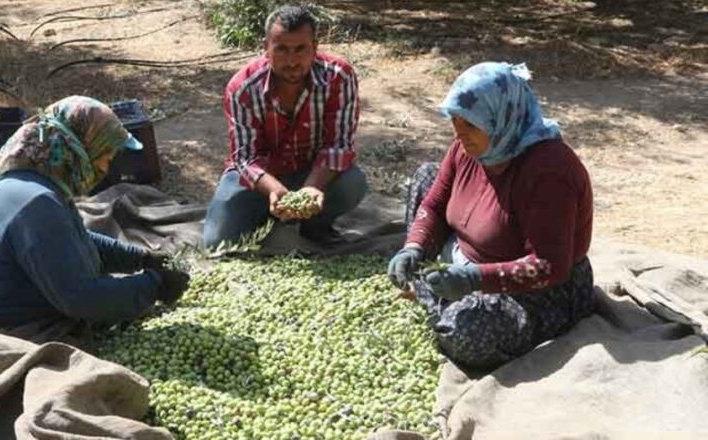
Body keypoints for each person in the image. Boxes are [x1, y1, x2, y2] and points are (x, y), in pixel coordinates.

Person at [0, 96, 190, 344]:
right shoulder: (38, 203)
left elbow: (74, 240)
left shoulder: (35, 185)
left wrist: (139, 258)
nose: (106, 167)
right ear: (83, 148)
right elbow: (80, 299)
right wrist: (154, 287)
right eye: (106, 155)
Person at [387, 62, 594, 370]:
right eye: (455, 121)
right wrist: (414, 246)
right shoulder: (468, 148)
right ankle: (437, 287)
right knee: (426, 175)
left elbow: (548, 266)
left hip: (537, 291)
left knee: (467, 333)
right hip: (469, 259)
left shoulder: (549, 171)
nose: (460, 133)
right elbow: (433, 204)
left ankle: (436, 294)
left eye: (470, 124)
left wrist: (474, 279)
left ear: (500, 118)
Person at [203, 5, 368, 248]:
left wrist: (311, 189)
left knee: (352, 182)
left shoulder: (338, 77)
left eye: (300, 49)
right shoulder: (243, 88)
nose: (291, 61)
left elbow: (339, 145)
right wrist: (274, 191)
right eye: (281, 49)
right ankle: (268, 215)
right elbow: (245, 158)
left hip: (311, 171)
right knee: (217, 242)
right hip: (261, 179)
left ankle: (315, 225)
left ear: (315, 46)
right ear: (266, 48)